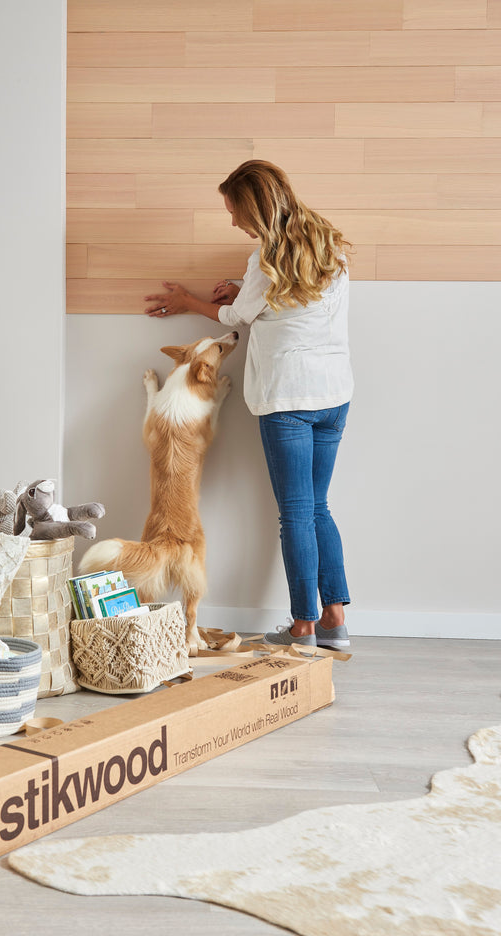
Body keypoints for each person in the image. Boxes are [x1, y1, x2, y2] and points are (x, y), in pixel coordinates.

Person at [144, 159, 353, 651]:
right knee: (318, 507)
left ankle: (303, 627)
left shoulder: (265, 259)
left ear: (255, 207)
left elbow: (239, 316)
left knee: (296, 513)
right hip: (334, 394)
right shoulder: (330, 246)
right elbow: (293, 302)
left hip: (288, 398)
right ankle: (334, 619)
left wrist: (189, 301)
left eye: (234, 210)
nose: (233, 221)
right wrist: (244, 291)